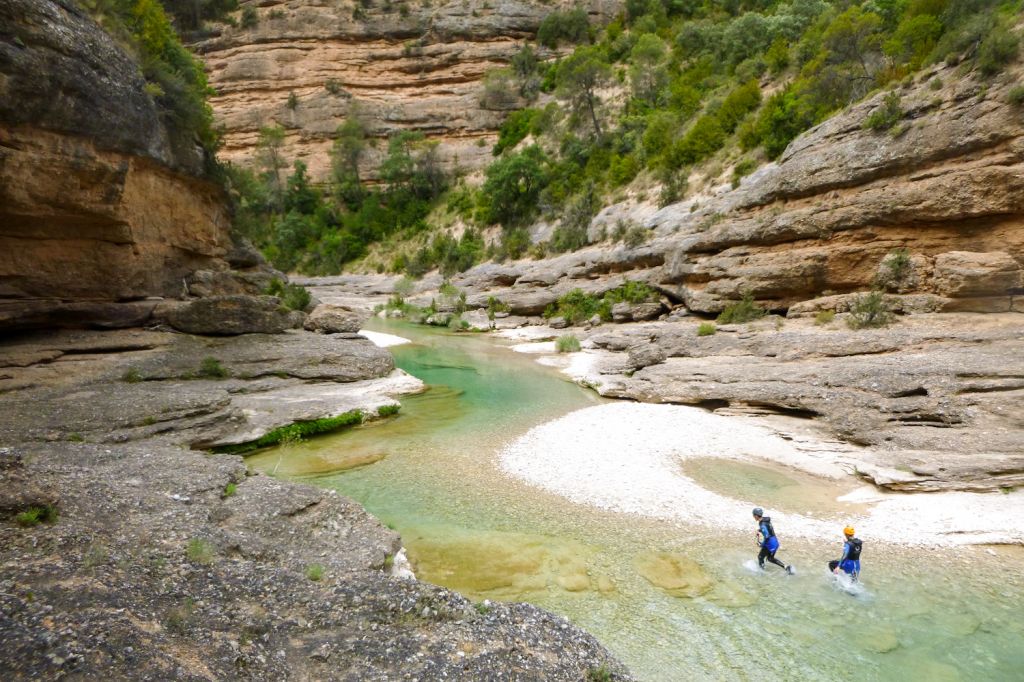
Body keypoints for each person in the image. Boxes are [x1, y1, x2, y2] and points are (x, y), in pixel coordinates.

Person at [752, 507, 793, 574]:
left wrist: (762, 544)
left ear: (756, 515)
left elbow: (767, 536)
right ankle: (786, 567)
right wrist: (759, 530)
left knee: (760, 557)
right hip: (775, 542)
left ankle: (762, 573)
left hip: (769, 544)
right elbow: (768, 529)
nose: (753, 517)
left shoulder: (762, 524)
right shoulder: (766, 520)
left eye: (753, 515)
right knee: (770, 558)